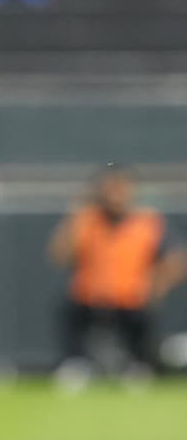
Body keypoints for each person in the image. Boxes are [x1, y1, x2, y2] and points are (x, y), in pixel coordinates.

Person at [48, 164, 187, 388]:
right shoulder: (86, 220)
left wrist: (156, 285)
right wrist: (74, 218)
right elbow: (59, 256)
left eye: (122, 188)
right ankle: (77, 364)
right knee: (67, 310)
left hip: (131, 301)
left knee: (141, 334)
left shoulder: (147, 221)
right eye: (110, 188)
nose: (116, 194)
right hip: (89, 300)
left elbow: (177, 258)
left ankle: (137, 363)